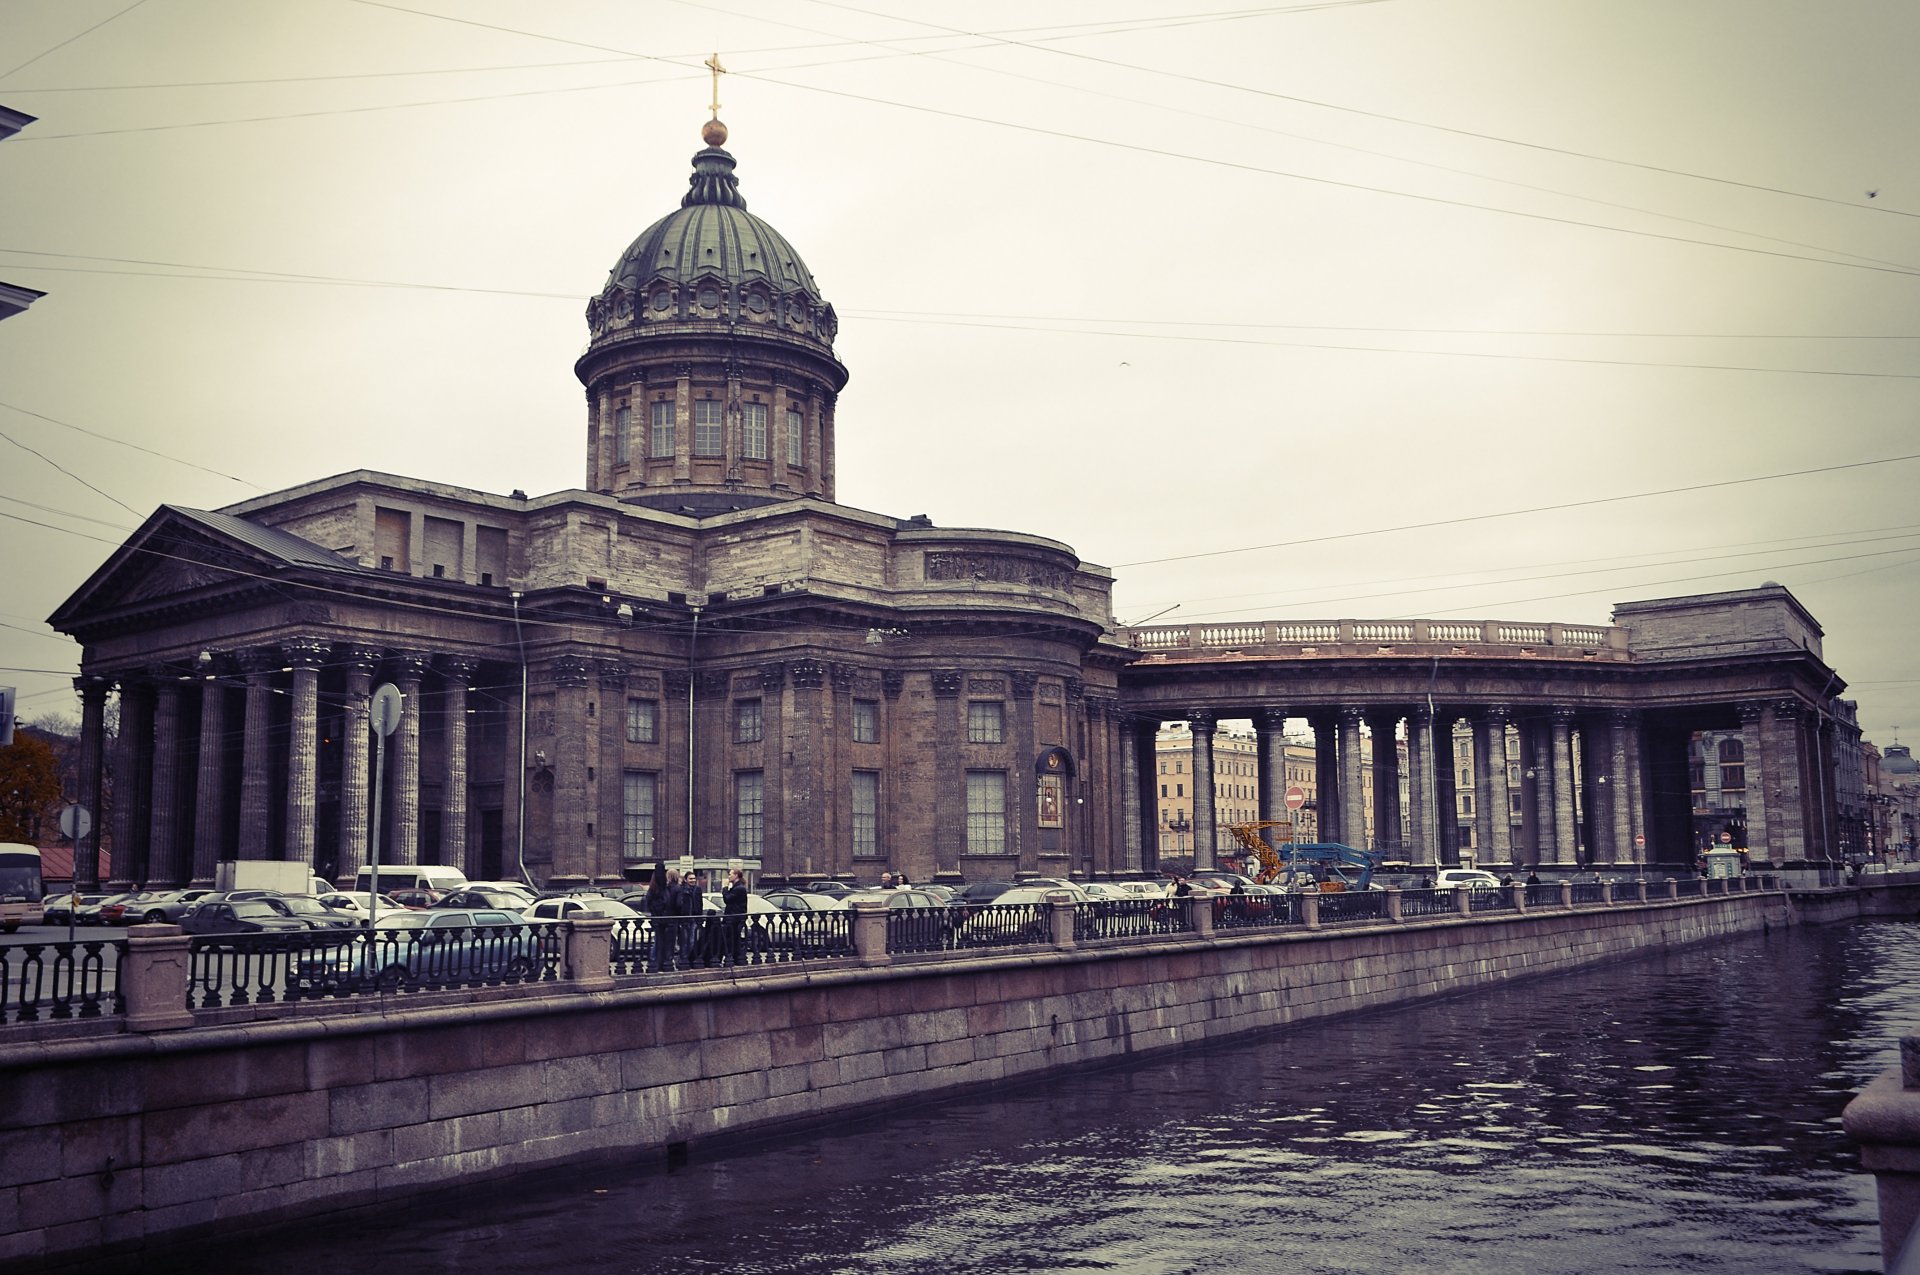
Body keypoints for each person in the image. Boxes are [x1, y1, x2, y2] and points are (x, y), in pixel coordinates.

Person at [643, 862, 676, 972]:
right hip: (661, 918)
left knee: (660, 941)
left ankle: (657, 962)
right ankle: (657, 962)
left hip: (660, 918)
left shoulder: (656, 886)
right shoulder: (659, 886)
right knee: (659, 941)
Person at [722, 868, 749, 965]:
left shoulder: (739, 888)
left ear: (736, 875)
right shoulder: (736, 887)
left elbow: (728, 899)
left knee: (733, 939)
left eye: (730, 874)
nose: (729, 876)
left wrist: (725, 888)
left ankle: (735, 958)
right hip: (733, 917)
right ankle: (734, 957)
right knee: (733, 938)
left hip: (735, 918)